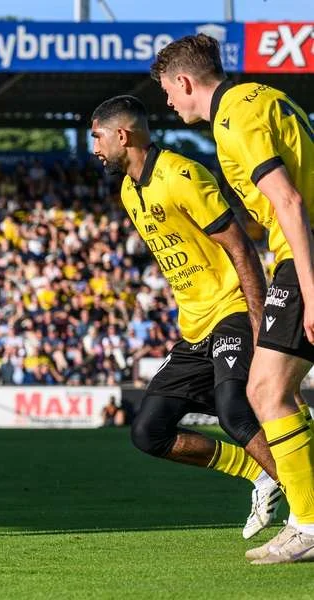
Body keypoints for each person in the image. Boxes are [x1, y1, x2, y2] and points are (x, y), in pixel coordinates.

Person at [152, 33, 314, 565]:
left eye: (168, 93)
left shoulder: (233, 121)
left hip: (304, 252)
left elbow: (287, 200)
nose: (169, 104)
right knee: (271, 391)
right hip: (298, 250)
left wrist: (309, 291)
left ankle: (307, 524)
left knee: (266, 392)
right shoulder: (262, 97)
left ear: (183, 81)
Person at [91, 95, 282, 541]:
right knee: (148, 432)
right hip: (194, 325)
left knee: (236, 410)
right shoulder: (127, 191)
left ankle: (306, 503)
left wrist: (259, 323)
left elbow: (240, 248)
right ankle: (261, 472)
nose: (94, 148)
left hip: (233, 307)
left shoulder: (182, 175)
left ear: (123, 135)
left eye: (97, 137)